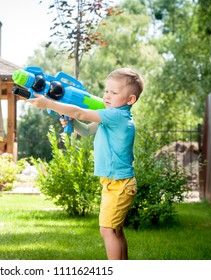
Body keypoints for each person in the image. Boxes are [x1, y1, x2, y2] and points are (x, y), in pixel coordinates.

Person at [25, 68, 144, 260]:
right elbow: (87, 131)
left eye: (114, 93)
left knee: (107, 231)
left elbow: (80, 112)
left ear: (130, 100)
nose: (107, 96)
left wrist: (50, 103)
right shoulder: (111, 116)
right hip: (115, 183)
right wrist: (73, 123)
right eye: (106, 91)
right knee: (115, 230)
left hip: (119, 184)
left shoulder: (117, 116)